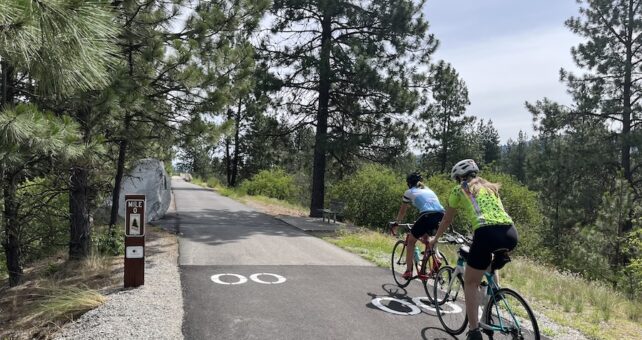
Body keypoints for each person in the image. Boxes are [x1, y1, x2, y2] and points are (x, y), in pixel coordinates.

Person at [428, 159, 518, 340]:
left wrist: (435, 238)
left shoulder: (459, 189)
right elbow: (494, 214)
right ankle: (494, 293)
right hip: (510, 233)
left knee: (470, 282)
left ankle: (474, 330)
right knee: (488, 264)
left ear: (460, 177)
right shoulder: (491, 187)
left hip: (485, 233)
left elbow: (446, 220)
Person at [394, 172, 445, 280]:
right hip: (441, 215)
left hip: (427, 215)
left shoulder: (409, 192)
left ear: (408, 183)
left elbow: (402, 211)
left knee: (411, 241)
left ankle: (408, 271)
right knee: (427, 238)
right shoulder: (428, 189)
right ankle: (436, 258)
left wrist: (396, 223)